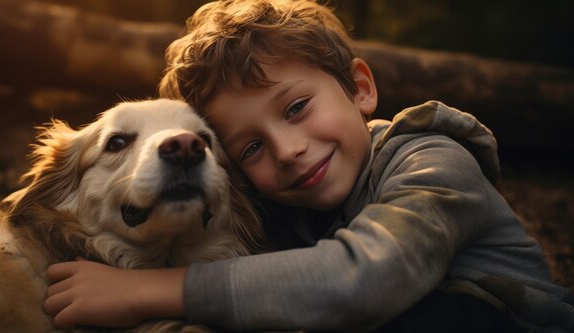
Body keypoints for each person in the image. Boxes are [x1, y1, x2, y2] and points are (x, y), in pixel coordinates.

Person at [44, 0, 574, 331]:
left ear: (360, 89)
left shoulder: (432, 160)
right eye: (250, 149)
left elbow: (366, 278)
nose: (287, 149)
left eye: (296, 108)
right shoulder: (285, 206)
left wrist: (146, 292)